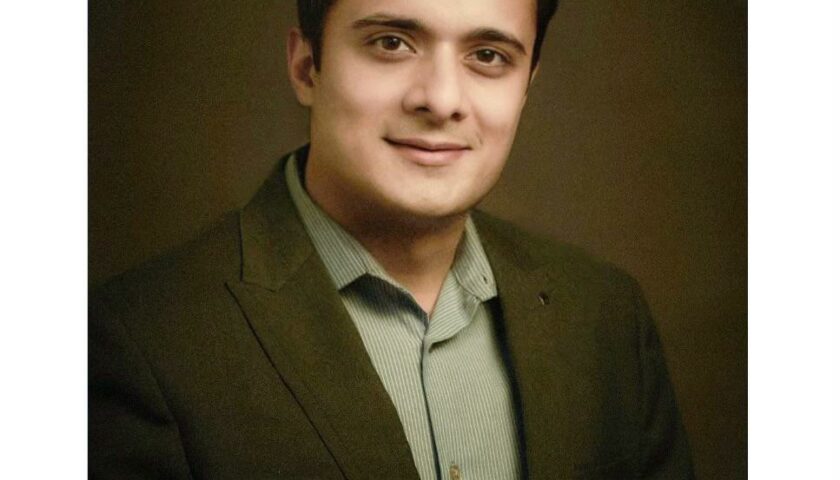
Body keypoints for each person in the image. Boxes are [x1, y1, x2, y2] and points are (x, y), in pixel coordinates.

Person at [89, 0, 695, 478]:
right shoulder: (139, 342)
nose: (441, 100)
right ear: (306, 67)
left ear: (527, 84)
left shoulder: (607, 316)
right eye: (391, 43)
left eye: (488, 55)